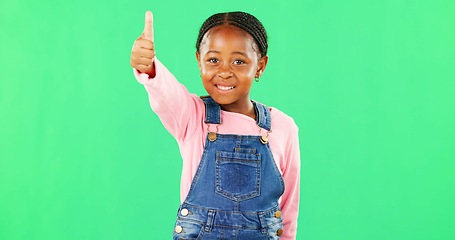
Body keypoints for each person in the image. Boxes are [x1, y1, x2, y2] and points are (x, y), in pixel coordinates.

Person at [130, 10, 300, 240]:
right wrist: (149, 66)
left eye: (239, 61)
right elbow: (165, 92)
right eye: (213, 60)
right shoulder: (192, 117)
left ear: (260, 66)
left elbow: (287, 212)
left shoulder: (282, 127)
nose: (224, 71)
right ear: (199, 61)